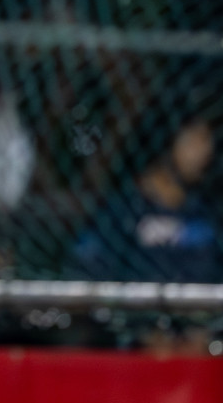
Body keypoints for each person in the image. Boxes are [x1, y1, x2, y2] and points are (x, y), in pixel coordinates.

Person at [70, 115, 219, 283]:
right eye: (195, 140)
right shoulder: (123, 209)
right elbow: (88, 260)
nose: (206, 151)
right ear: (168, 139)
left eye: (207, 140)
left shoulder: (201, 212)